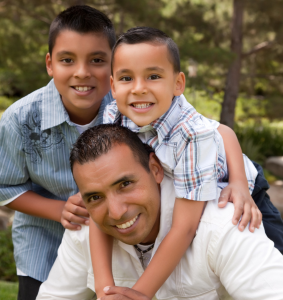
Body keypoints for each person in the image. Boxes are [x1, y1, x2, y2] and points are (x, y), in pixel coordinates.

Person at [88, 27, 277, 298]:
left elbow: (185, 227)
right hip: (187, 173)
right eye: (127, 78)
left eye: (153, 76)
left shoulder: (191, 135)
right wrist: (103, 289)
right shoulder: (113, 116)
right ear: (113, 86)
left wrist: (140, 293)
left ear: (178, 83)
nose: (139, 88)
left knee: (269, 265)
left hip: (244, 184)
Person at [36, 124, 283, 300]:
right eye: (95, 196)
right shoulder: (86, 225)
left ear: (155, 169)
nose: (117, 212)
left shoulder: (223, 224)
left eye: (125, 184)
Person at [0, 6, 115, 300]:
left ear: (113, 64)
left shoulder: (127, 112)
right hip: (44, 248)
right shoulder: (20, 118)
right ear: (50, 64)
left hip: (115, 247)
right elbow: (3, 187)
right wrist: (60, 211)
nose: (82, 72)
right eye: (67, 60)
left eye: (97, 60)